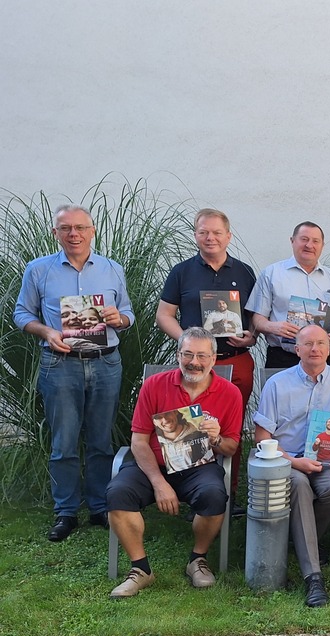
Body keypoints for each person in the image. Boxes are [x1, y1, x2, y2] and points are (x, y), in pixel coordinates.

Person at [14, 204, 134, 541]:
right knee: (63, 442)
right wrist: (46, 332)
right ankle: (65, 511)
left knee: (100, 440)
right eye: (65, 228)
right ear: (56, 233)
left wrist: (119, 319)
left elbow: (128, 313)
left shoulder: (112, 269)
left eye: (80, 227)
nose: (74, 234)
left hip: (105, 361)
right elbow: (22, 314)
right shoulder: (38, 270)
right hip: (59, 364)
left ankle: (98, 506)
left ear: (92, 231)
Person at [105, 328, 242, 598]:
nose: (194, 361)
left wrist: (215, 439)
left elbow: (232, 447)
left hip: (198, 467)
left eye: (202, 355)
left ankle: (197, 559)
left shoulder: (230, 393)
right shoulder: (154, 385)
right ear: (178, 355)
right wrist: (158, 483)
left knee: (215, 495)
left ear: (214, 359)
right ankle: (140, 569)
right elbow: (138, 442)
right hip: (153, 465)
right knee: (117, 493)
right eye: (188, 354)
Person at [254, 325, 330, 607]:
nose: (315, 349)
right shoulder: (277, 383)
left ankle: (301, 538)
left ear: (329, 349)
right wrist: (294, 462)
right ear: (296, 348)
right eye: (308, 344)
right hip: (286, 460)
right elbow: (262, 438)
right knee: (299, 485)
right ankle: (313, 577)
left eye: (321, 343)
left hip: (328, 462)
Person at [157, 209, 257, 501]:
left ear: (228, 236)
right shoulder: (181, 272)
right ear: (196, 235)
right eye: (203, 232)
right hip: (194, 365)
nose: (210, 238)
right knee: (191, 424)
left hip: (235, 361)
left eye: (216, 232)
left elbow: (254, 317)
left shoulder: (244, 272)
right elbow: (164, 315)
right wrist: (189, 342)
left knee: (231, 429)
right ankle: (194, 490)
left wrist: (252, 334)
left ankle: (230, 489)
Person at [246, 221, 330, 369]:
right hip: (282, 357)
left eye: (315, 241)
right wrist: (274, 327)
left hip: (322, 358)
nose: (309, 245)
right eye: (304, 239)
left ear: (322, 245)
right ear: (292, 241)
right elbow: (258, 318)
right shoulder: (271, 274)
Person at [153, 409, 211, 473]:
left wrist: (206, 460)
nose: (165, 420)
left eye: (167, 414)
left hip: (199, 473)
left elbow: (210, 453)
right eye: (158, 417)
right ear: (154, 422)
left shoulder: (199, 435)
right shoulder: (158, 442)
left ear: (175, 412)